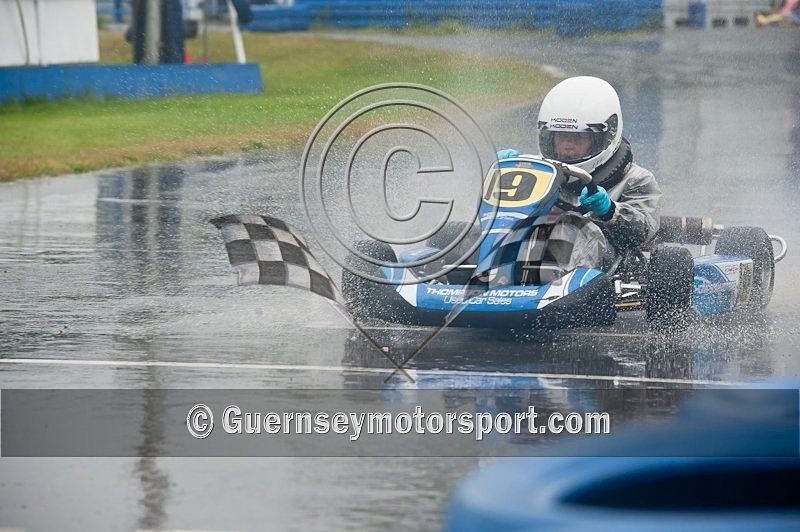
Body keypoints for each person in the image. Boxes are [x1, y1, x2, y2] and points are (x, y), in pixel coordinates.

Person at [496, 76, 662, 282]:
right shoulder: (537, 173)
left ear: (605, 137)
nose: (568, 145)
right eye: (560, 136)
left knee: (569, 226)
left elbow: (644, 232)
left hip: (607, 268)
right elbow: (504, 218)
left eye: (578, 137)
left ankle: (545, 287)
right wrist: (506, 179)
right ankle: (489, 281)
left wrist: (610, 211)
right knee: (472, 236)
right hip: (532, 252)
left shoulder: (635, 179)